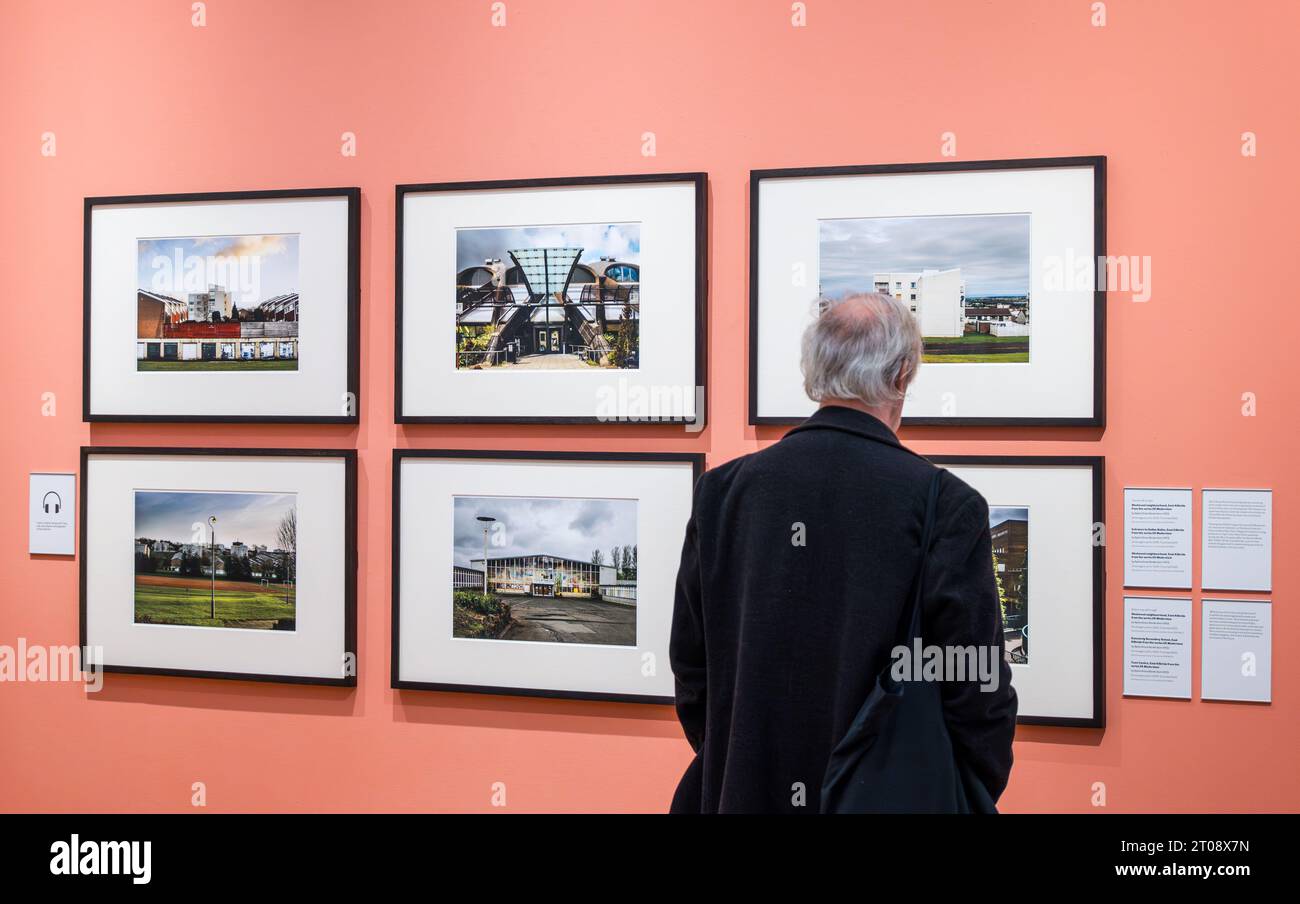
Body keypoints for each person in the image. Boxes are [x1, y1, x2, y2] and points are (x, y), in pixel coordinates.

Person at [669, 292, 1017, 813]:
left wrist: (737, 759)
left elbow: (692, 670)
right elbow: (975, 687)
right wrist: (959, 789)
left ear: (814, 372)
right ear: (902, 375)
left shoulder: (724, 492)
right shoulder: (946, 505)